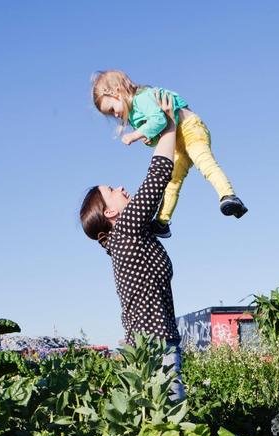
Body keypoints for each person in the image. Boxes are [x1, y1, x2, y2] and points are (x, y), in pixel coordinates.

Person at [80, 89, 185, 401]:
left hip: (151, 345)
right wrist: (167, 125)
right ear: (110, 213)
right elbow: (157, 177)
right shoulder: (125, 230)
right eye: (112, 189)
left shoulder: (127, 237)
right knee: (168, 428)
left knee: (158, 430)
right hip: (153, 346)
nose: (122, 187)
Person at [91, 69, 247, 239]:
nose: (115, 114)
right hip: (177, 140)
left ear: (117, 92)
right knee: (172, 180)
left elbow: (160, 120)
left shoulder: (142, 98)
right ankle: (162, 222)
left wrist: (136, 135)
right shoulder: (135, 116)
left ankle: (228, 195)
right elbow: (162, 136)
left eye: (112, 108)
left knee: (204, 162)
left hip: (190, 128)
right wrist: (149, 139)